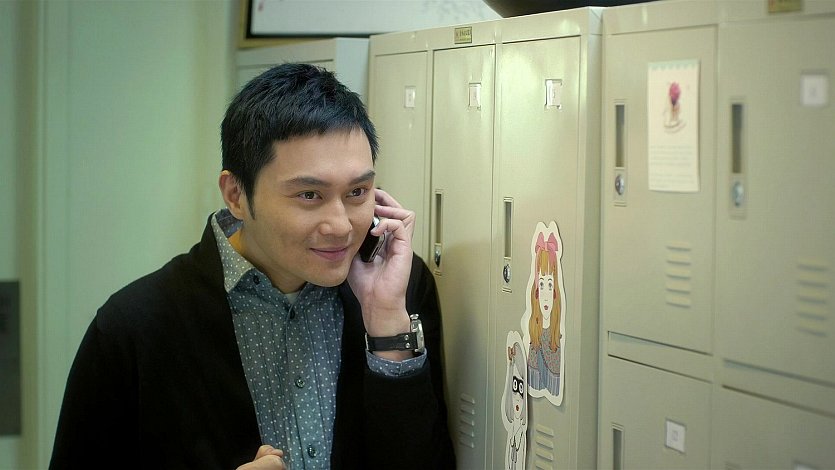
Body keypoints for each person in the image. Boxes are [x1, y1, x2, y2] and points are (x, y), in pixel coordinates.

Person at [49, 63, 455, 470]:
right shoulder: (134, 327)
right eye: (309, 195)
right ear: (236, 195)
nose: (341, 226)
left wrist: (387, 327)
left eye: (357, 192)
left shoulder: (399, 287)